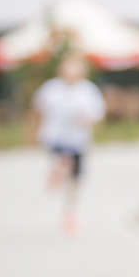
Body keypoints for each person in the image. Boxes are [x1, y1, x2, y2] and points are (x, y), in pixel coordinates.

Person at [31, 54, 106, 234]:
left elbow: (98, 116)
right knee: (64, 161)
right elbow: (37, 110)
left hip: (78, 141)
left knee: (75, 180)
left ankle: (70, 213)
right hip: (55, 138)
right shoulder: (51, 89)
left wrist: (86, 120)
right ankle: (58, 171)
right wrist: (32, 134)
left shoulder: (88, 91)